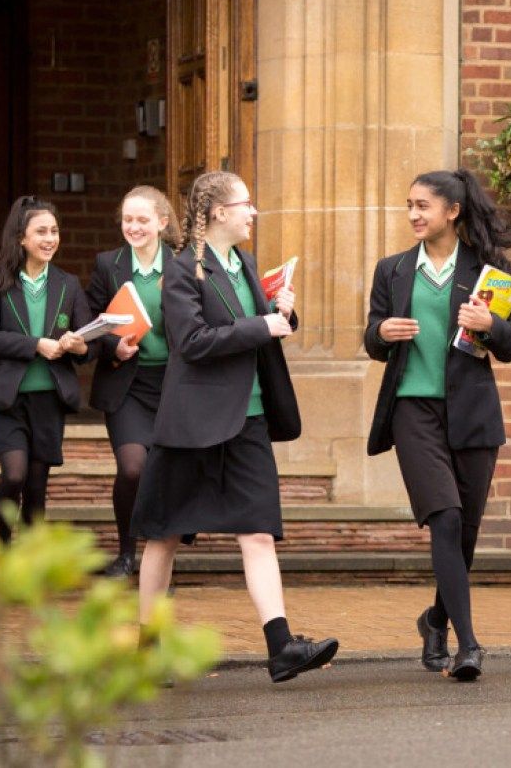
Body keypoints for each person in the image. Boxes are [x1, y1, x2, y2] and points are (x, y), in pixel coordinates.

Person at [132, 170, 338, 683]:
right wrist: (259, 325)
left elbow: (258, 328)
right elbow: (193, 341)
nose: (253, 211)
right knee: (164, 534)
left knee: (259, 533)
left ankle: (281, 646)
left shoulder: (244, 262)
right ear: (219, 212)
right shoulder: (181, 271)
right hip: (193, 423)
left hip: (247, 419)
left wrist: (282, 315)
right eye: (246, 203)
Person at [364, 168, 511, 682]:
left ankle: (435, 619)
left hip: (473, 414)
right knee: (446, 519)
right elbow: (371, 335)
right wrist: (382, 331)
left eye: (423, 206)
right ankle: (469, 644)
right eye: (409, 204)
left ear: (451, 212)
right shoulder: (392, 270)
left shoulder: (487, 271)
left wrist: (491, 325)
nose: (413, 214)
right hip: (413, 409)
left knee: (465, 535)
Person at [0, 195, 91, 543]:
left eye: (54, 231)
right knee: (14, 475)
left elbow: (88, 343)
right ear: (21, 238)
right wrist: (36, 344)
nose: (50, 238)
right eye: (41, 231)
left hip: (49, 400)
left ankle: (31, 557)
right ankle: (6, 548)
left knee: (37, 486)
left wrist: (79, 344)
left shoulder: (68, 285)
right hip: (9, 400)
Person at [85, 185, 181, 578]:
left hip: (175, 388)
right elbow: (89, 323)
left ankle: (159, 569)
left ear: (161, 222)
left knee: (165, 472)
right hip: (128, 385)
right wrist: (113, 348)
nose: (134, 227)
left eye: (142, 219)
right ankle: (126, 554)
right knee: (133, 468)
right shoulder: (109, 265)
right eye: (128, 220)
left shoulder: (184, 264)